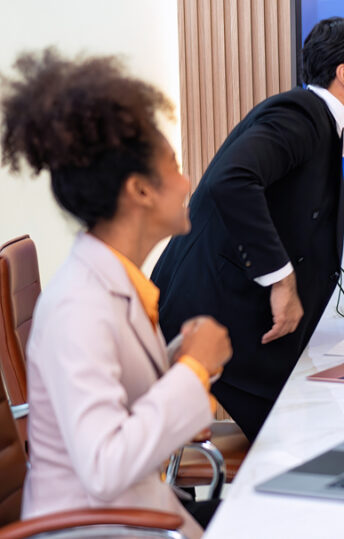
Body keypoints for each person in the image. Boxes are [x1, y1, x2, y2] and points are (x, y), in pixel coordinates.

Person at [0, 50, 233, 538]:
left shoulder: (117, 283)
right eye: (175, 167)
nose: (187, 182)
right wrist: (193, 370)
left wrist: (177, 361)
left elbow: (119, 399)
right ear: (140, 190)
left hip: (140, 512)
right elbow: (105, 466)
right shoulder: (79, 307)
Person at [151, 17, 344, 441]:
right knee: (314, 440)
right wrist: (282, 280)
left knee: (333, 420)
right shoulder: (299, 115)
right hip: (216, 324)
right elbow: (232, 180)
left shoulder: (320, 124)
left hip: (244, 326)